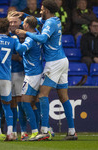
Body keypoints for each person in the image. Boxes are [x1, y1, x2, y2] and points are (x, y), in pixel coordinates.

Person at [16, 0, 78, 140]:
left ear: (47, 10)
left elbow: (43, 38)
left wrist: (26, 33)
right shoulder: (54, 20)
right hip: (62, 61)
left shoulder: (49, 23)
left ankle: (44, 131)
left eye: (42, 9)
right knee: (63, 97)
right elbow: (38, 20)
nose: (40, 11)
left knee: (43, 95)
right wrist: (24, 14)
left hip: (54, 62)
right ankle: (72, 131)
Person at [14, 16, 43, 141]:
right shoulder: (37, 34)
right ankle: (39, 130)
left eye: (23, 23)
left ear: (27, 25)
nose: (22, 24)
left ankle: (36, 131)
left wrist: (14, 39)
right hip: (36, 72)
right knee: (32, 103)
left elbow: (20, 49)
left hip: (32, 74)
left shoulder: (30, 39)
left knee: (25, 103)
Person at [7, 11, 25, 140]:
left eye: (15, 22)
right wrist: (14, 56)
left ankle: (24, 131)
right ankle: (12, 131)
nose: (13, 24)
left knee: (22, 104)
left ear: (20, 22)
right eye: (10, 22)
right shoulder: (3, 34)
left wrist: (18, 57)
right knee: (11, 104)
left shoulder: (25, 34)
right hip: (6, 75)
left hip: (20, 73)